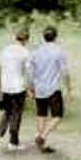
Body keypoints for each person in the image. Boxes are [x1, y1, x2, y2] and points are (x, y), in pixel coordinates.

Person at [29, 25, 71, 153]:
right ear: (56, 36)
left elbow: (30, 72)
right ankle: (43, 136)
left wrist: (30, 87)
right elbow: (65, 72)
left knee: (41, 114)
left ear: (44, 37)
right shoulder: (59, 51)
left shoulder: (36, 52)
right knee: (57, 115)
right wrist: (69, 88)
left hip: (39, 88)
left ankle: (41, 144)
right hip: (53, 88)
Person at [0, 28, 30, 150]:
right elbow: (28, 72)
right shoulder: (25, 52)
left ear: (16, 37)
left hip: (5, 87)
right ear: (26, 39)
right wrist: (29, 88)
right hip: (18, 88)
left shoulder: (6, 49)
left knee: (8, 111)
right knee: (16, 114)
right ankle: (13, 143)